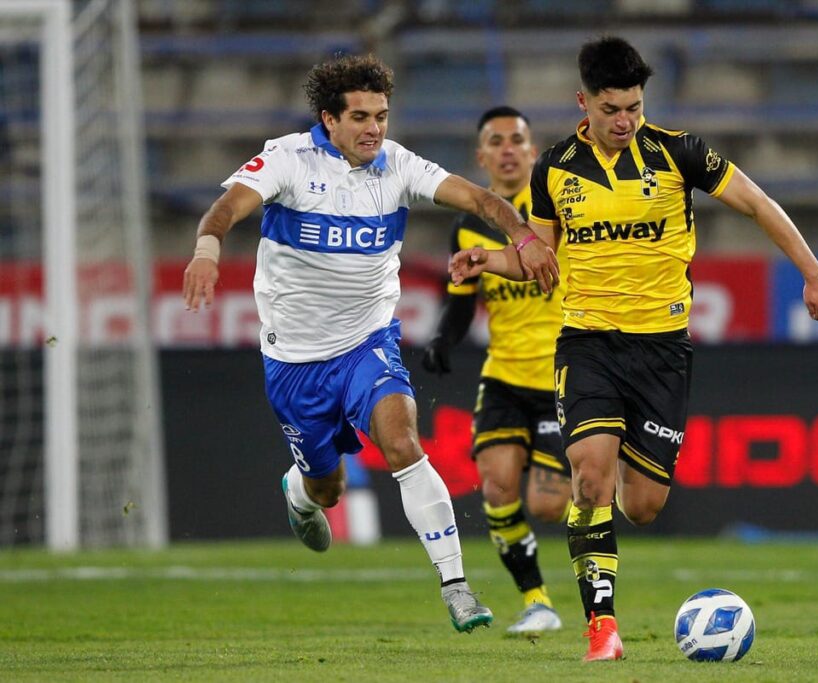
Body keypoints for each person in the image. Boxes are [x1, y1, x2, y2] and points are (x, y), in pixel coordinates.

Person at [450, 36, 818, 659]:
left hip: (662, 351)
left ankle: (608, 568)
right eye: (611, 109)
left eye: (633, 106)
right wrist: (489, 259)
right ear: (584, 102)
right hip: (588, 343)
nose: (625, 120)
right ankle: (601, 629)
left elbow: (758, 205)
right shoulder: (554, 167)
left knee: (644, 504)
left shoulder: (679, 152)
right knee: (590, 475)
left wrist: (814, 274)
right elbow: (539, 258)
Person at [181, 54, 558, 634]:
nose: (374, 129)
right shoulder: (286, 158)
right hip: (296, 361)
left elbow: (482, 200)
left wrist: (524, 237)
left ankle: (457, 587)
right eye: (360, 117)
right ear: (328, 119)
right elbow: (226, 208)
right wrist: (207, 251)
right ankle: (301, 491)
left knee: (404, 441)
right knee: (327, 488)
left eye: (381, 115)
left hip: (369, 341)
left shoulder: (398, 165)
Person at [422, 106, 572, 634]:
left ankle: (601, 467)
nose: (508, 149)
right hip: (504, 374)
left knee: (549, 506)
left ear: (533, 152)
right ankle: (538, 601)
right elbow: (462, 301)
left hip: (562, 377)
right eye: (496, 141)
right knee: (495, 487)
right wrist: (443, 336)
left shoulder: (556, 208)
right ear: (480, 156)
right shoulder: (467, 226)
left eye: (517, 139)